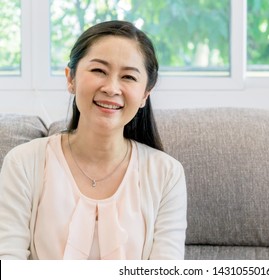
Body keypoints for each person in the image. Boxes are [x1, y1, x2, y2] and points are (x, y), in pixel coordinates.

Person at [0, 20, 187, 260]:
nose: (111, 88)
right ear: (71, 79)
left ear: (145, 94)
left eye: (128, 77)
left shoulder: (166, 174)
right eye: (99, 70)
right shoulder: (24, 163)